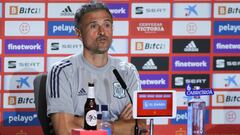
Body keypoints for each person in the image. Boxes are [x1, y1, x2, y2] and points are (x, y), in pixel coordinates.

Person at [46, 2, 146, 135]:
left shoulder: (127, 71)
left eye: (107, 25)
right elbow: (64, 130)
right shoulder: (62, 71)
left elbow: (142, 128)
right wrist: (119, 126)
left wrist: (80, 121)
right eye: (94, 26)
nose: (102, 32)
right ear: (79, 33)